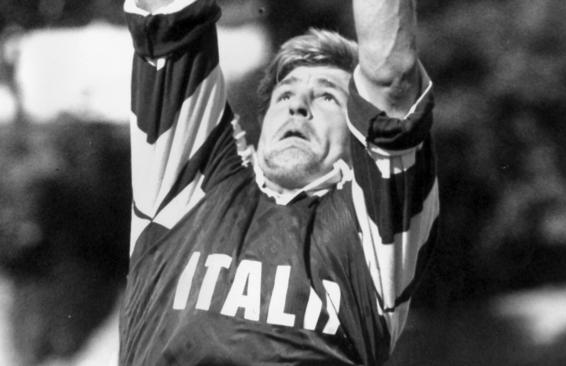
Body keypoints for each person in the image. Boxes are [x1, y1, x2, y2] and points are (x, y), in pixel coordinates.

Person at [120, 0, 438, 364]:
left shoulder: (372, 236)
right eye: (285, 94)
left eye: (327, 96)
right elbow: (169, 17)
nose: (298, 105)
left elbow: (391, 76)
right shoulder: (187, 186)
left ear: (358, 132)